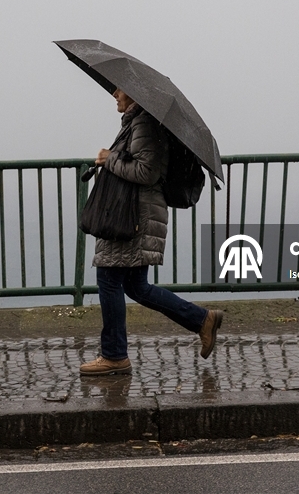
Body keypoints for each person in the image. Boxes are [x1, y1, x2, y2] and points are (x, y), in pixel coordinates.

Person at [79, 88, 223, 376]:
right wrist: (112, 158)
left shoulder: (143, 123)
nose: (115, 94)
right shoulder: (139, 121)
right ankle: (202, 319)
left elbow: (147, 172)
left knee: (108, 278)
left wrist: (110, 159)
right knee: (136, 286)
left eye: (119, 90)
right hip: (137, 215)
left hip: (133, 217)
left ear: (133, 94)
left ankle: (115, 355)